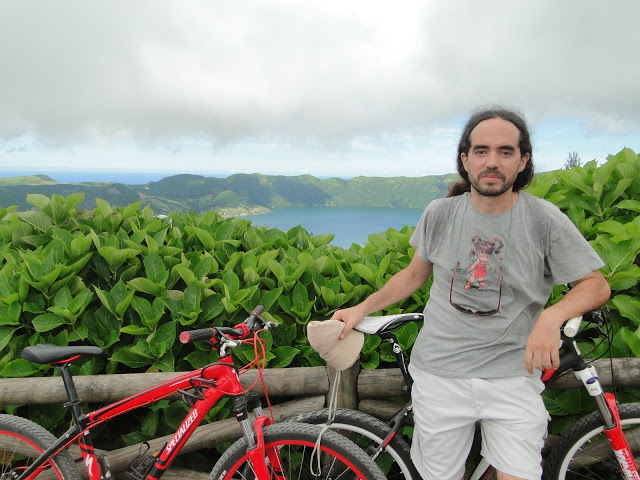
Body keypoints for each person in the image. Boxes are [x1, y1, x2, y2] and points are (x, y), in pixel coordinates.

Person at [331, 107, 611, 480]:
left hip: (514, 375)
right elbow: (414, 275)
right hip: (438, 374)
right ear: (465, 159)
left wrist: (551, 316)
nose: (492, 162)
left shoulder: (544, 219)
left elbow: (596, 285)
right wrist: (360, 308)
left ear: (523, 160)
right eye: (481, 151)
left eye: (505, 151)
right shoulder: (440, 213)